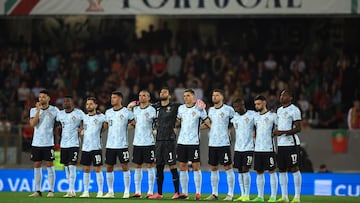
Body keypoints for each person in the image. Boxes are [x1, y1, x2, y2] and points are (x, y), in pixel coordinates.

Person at [149, 87, 181, 199]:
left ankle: (177, 192)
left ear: (169, 95)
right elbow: (144, 109)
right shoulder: (154, 107)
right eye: (161, 91)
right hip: (158, 141)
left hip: (169, 140)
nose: (162, 93)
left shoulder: (175, 107)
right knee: (159, 166)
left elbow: (186, 112)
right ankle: (159, 193)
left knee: (172, 165)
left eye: (165, 92)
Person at [203, 89, 235, 201]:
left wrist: (229, 131)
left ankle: (230, 194)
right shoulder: (210, 110)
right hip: (212, 143)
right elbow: (208, 125)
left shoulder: (228, 109)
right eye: (213, 95)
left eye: (217, 95)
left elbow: (235, 122)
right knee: (213, 167)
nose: (214, 97)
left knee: (227, 167)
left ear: (222, 97)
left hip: (224, 143)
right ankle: (214, 193)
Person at [176, 89, 208, 200]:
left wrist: (198, 128)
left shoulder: (199, 108)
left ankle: (198, 193)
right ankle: (184, 193)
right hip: (181, 141)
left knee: (196, 166)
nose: (185, 98)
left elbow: (208, 122)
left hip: (193, 142)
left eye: (188, 95)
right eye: (184, 96)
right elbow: (178, 122)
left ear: (193, 97)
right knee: (182, 166)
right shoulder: (181, 108)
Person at [103, 91, 134, 198]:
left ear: (120, 99)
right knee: (109, 167)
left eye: (114, 98)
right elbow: (105, 127)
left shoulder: (127, 112)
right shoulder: (108, 112)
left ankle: (126, 191)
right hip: (110, 145)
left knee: (125, 166)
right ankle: (110, 191)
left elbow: (134, 123)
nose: (112, 99)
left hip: (122, 145)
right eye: (111, 97)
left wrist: (130, 126)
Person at [28, 90, 59, 198]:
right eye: (40, 97)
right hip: (36, 143)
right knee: (37, 165)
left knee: (50, 165)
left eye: (43, 97)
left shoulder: (54, 110)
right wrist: (38, 111)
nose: (41, 99)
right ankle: (38, 191)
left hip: (48, 142)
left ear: (48, 98)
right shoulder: (33, 110)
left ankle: (51, 190)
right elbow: (32, 124)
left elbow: (60, 121)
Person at [274, 89, 302, 203]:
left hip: (292, 143)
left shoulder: (294, 110)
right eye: (281, 95)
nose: (281, 97)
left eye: (284, 95)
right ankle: (284, 196)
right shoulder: (279, 110)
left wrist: (282, 132)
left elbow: (298, 128)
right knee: (281, 169)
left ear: (291, 97)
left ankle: (297, 197)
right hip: (281, 144)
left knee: (294, 168)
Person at [56, 95, 85, 197]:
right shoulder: (60, 114)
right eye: (64, 101)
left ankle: (72, 190)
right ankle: (69, 189)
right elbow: (57, 125)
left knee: (72, 164)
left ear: (72, 103)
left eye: (68, 101)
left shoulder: (79, 113)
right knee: (66, 166)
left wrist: (82, 129)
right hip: (64, 144)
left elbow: (87, 122)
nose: (65, 103)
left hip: (74, 143)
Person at [130, 90, 157, 198]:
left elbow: (157, 122)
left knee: (150, 165)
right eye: (140, 95)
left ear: (149, 98)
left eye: (144, 95)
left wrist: (155, 130)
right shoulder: (135, 110)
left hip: (149, 142)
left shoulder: (152, 110)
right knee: (137, 166)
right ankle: (138, 191)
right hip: (137, 142)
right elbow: (133, 123)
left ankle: (150, 191)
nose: (141, 97)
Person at [252, 95, 278, 202]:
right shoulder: (255, 117)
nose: (256, 106)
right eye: (255, 104)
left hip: (269, 149)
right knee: (259, 172)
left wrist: (275, 133)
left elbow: (279, 128)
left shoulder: (273, 116)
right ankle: (260, 196)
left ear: (264, 103)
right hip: (258, 149)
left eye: (258, 104)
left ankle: (273, 196)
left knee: (272, 171)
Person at [79, 97, 107, 198]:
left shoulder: (101, 117)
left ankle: (100, 192)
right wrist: (81, 131)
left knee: (97, 169)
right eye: (87, 104)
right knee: (86, 169)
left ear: (96, 105)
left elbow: (106, 126)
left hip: (96, 147)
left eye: (91, 104)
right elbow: (83, 129)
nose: (88, 106)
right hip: (85, 148)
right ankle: (86, 191)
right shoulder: (84, 117)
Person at [230, 98, 256, 202]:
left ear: (243, 104)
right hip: (238, 148)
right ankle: (242, 194)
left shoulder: (252, 115)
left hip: (249, 147)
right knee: (240, 170)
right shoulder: (235, 117)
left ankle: (247, 195)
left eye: (238, 106)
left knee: (245, 169)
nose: (236, 109)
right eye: (235, 107)